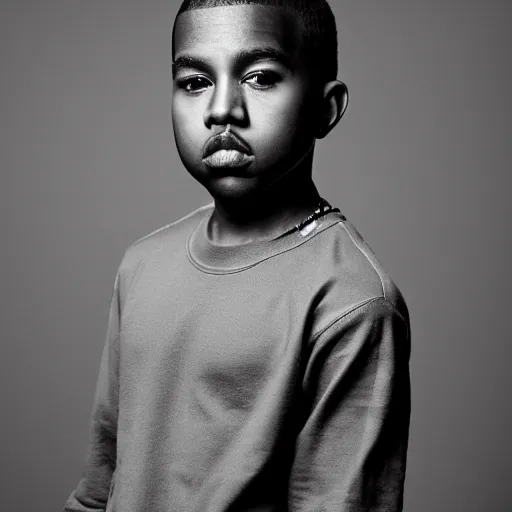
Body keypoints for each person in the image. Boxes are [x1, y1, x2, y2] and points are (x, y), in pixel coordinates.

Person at [63, 0, 411, 510]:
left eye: (260, 77)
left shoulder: (351, 303)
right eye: (195, 82)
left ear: (325, 108)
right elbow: (99, 487)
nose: (221, 108)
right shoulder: (142, 264)